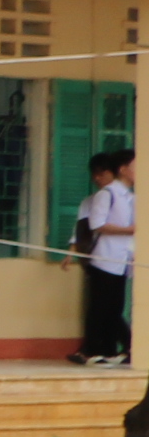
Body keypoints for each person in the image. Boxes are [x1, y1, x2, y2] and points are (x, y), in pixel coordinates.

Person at [77, 145, 134, 365]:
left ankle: (110, 350)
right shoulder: (107, 194)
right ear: (123, 169)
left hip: (122, 260)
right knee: (100, 307)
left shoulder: (131, 197)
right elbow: (97, 224)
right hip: (104, 259)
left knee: (115, 307)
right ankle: (93, 350)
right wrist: (130, 230)